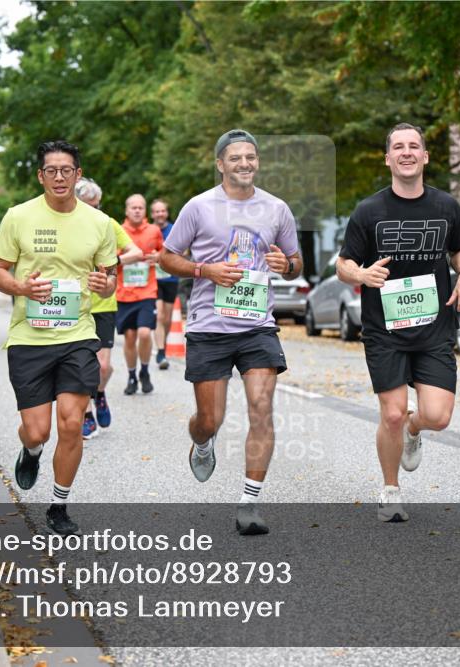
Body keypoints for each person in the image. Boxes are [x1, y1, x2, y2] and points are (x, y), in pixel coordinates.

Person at [159, 129, 302, 535]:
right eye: (235, 158)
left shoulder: (276, 209)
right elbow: (167, 258)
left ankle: (249, 503)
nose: (244, 164)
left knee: (261, 407)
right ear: (221, 163)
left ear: (257, 162)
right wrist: (206, 270)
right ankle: (202, 441)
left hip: (257, 325)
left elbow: (295, 260)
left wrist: (285, 265)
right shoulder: (199, 207)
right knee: (211, 418)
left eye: (250, 157)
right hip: (210, 325)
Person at [336, 122, 460, 523]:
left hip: (434, 327)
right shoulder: (369, 211)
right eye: (398, 147)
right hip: (385, 329)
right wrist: (360, 275)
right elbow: (344, 263)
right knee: (392, 413)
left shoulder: (446, 206)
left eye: (414, 146)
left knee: (437, 416)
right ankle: (390, 489)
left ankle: (415, 432)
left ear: (426, 156)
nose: (407, 152)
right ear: (388, 159)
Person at [0, 140, 117, 536]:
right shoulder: (18, 216)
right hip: (29, 337)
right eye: (51, 171)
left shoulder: (100, 223)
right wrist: (22, 289)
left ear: (78, 175)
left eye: (67, 171)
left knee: (72, 422)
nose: (59, 177)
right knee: (38, 429)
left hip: (78, 334)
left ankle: (58, 506)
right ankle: (31, 451)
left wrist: (103, 283)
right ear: (40, 176)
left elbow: (110, 282)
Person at [74, 177, 144, 439]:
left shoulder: (107, 224)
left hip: (104, 303)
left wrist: (112, 262)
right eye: (88, 205)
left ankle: (99, 394)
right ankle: (86, 413)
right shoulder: (66, 226)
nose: (94, 210)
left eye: (97, 205)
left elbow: (136, 251)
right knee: (81, 366)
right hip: (76, 305)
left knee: (103, 368)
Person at [116, 194, 164, 395]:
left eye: (141, 207)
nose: (137, 210)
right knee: (129, 336)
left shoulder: (154, 231)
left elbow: (165, 254)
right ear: (127, 211)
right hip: (124, 293)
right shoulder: (118, 231)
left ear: (145, 211)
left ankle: (144, 371)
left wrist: (158, 257)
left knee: (144, 333)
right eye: (133, 207)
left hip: (147, 291)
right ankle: (132, 375)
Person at [151, 198, 179, 370]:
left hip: (171, 278)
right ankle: (161, 352)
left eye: (163, 211)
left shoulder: (175, 229)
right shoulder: (149, 230)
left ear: (166, 213)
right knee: (159, 315)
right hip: (153, 279)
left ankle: (163, 346)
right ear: (152, 214)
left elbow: (184, 250)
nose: (160, 214)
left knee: (167, 318)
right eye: (157, 211)